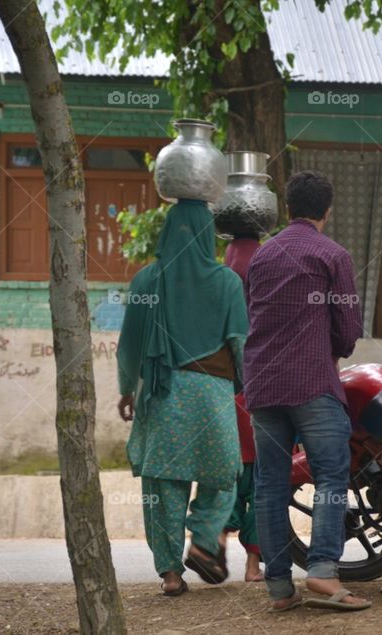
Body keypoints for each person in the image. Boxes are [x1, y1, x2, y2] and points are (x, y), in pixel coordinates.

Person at [243, 170, 371, 612]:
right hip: (312, 381)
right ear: (327, 210)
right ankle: (322, 572)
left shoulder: (261, 257)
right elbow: (348, 330)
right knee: (332, 476)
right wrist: (328, 349)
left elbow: (252, 316)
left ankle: (279, 588)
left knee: (269, 485)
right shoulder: (332, 255)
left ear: (288, 209)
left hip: (261, 385)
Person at [116, 198, 248, 597]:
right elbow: (239, 342)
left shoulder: (146, 281)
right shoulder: (227, 282)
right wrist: (244, 385)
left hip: (162, 391)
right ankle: (204, 540)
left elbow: (130, 345)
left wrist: (126, 389)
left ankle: (171, 574)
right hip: (212, 394)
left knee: (163, 486)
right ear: (209, 237)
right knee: (223, 474)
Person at [222, 232, 265, 582]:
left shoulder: (219, 289)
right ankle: (253, 566)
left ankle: (214, 547)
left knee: (227, 484)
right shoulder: (270, 293)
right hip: (265, 404)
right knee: (264, 489)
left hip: (228, 403)